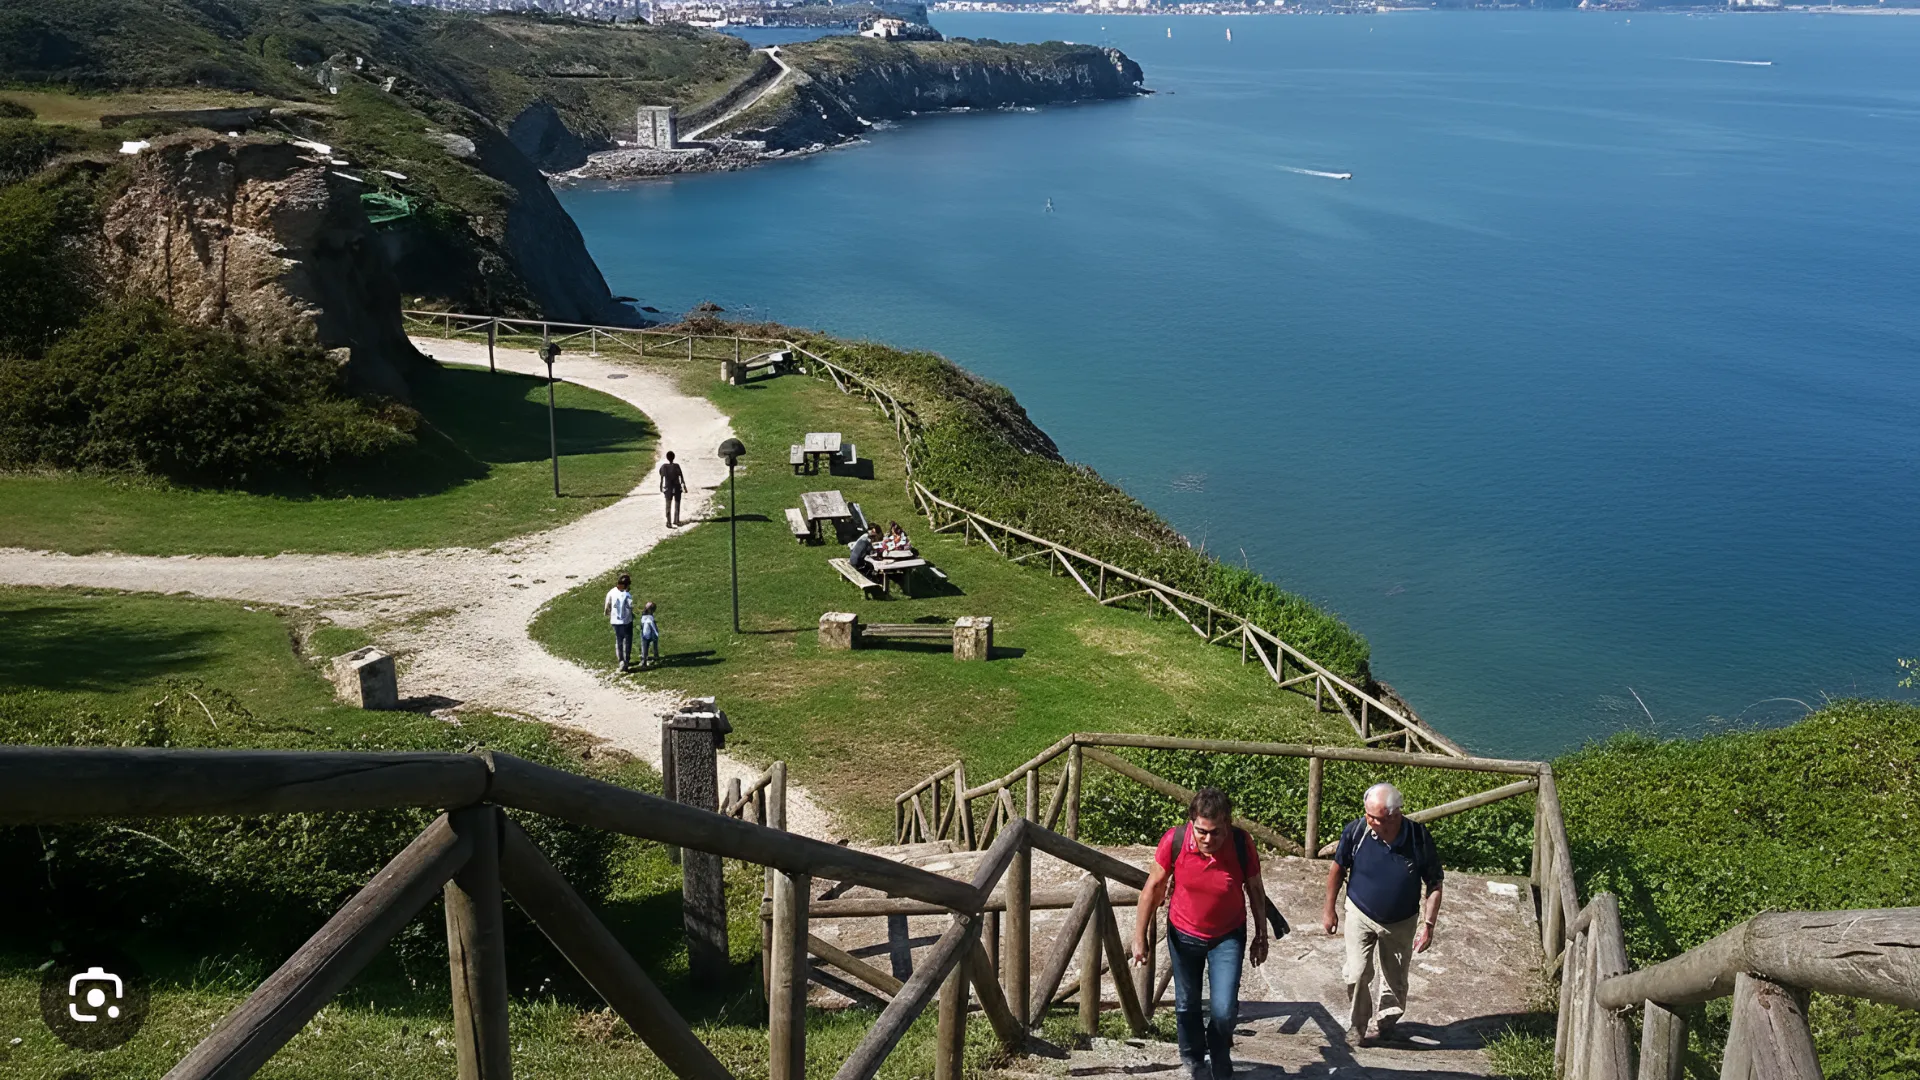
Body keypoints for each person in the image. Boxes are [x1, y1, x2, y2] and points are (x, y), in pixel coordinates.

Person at [1131, 788, 1270, 1080]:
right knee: (1187, 1001)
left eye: (1216, 833)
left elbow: (1255, 890)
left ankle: (1219, 1051)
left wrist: (1261, 935)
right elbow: (1152, 888)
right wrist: (1139, 937)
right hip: (1183, 932)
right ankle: (1194, 1058)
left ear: (1228, 824)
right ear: (1192, 822)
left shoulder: (1242, 843)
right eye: (1201, 832)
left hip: (1228, 935)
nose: (1208, 839)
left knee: (1223, 1008)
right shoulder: (1175, 840)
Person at [1322, 781, 1444, 1046]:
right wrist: (1329, 909)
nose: (1368, 820)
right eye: (1367, 814)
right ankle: (1358, 1025)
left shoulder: (1418, 838)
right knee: (1356, 973)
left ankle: (1387, 1022)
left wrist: (1429, 924)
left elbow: (1434, 883)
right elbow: (1337, 869)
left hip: (1401, 921)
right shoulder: (1357, 831)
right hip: (1360, 912)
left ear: (1394, 815)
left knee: (1395, 980)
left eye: (1374, 817)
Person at [603, 573, 635, 672]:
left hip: (615, 621)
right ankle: (626, 661)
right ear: (626, 585)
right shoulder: (627, 595)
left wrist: (608, 614)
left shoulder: (611, 592)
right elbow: (630, 606)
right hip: (626, 621)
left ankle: (621, 661)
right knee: (627, 641)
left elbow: (607, 605)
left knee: (619, 640)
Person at [659, 451, 686, 527]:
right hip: (677, 487)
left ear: (667, 458)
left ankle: (668, 522)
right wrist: (684, 486)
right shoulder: (677, 466)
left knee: (668, 505)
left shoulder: (664, 466)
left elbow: (661, 477)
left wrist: (661, 487)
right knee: (677, 504)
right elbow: (681, 477)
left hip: (668, 488)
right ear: (674, 457)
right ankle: (676, 520)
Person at [638, 601, 661, 669]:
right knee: (654, 644)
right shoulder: (650, 617)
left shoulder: (643, 616)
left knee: (644, 648)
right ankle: (655, 655)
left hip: (644, 635)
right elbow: (653, 626)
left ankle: (644, 662)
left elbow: (642, 626)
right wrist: (656, 632)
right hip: (651, 634)